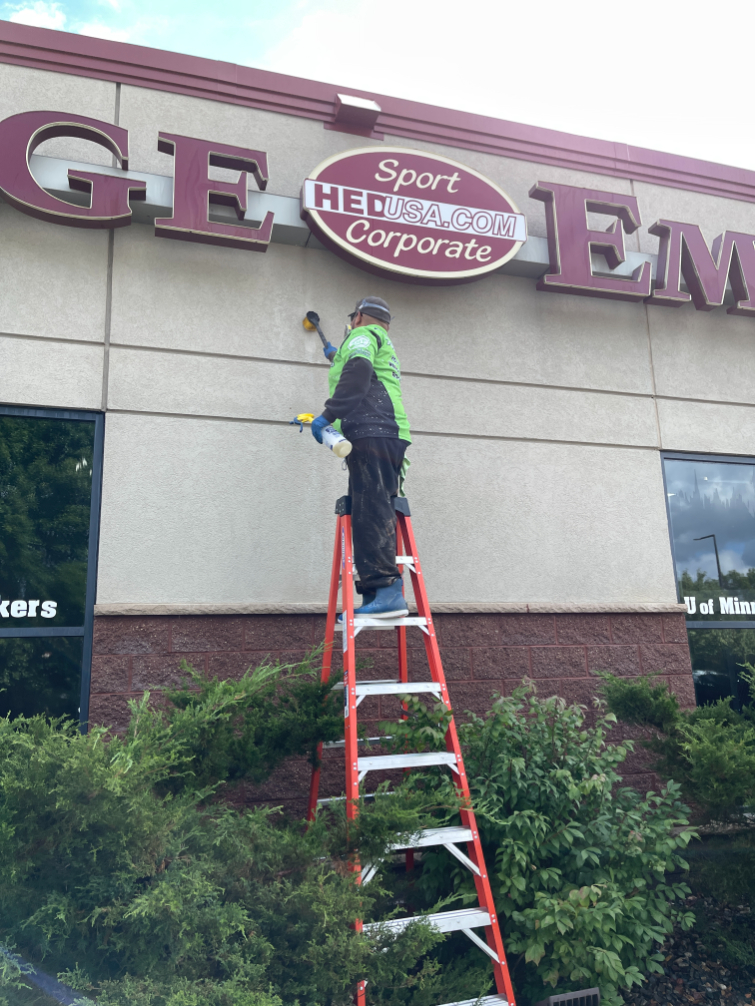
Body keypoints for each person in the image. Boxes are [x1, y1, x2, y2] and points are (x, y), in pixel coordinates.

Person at [311, 296, 411, 618]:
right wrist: (336, 356)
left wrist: (328, 415)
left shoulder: (361, 336)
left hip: (372, 431)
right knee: (372, 507)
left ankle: (386, 591)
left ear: (358, 318)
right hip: (387, 433)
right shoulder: (382, 341)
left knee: (370, 510)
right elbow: (357, 365)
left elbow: (359, 369)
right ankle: (375, 595)